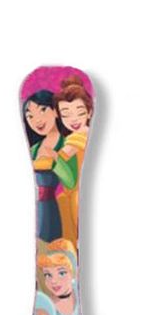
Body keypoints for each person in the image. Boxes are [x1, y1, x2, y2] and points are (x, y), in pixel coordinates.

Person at [52, 75, 94, 246]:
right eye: (66, 115)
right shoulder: (81, 135)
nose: (74, 120)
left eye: (80, 112)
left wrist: (50, 154)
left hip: (75, 195)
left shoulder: (78, 136)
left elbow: (61, 156)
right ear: (59, 115)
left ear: (89, 112)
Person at [22, 90, 68, 242]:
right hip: (35, 208)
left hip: (59, 207)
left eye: (42, 110)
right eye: (30, 116)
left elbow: (71, 181)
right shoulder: (33, 149)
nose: (37, 120)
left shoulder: (68, 145)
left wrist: (56, 159)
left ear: (55, 111)